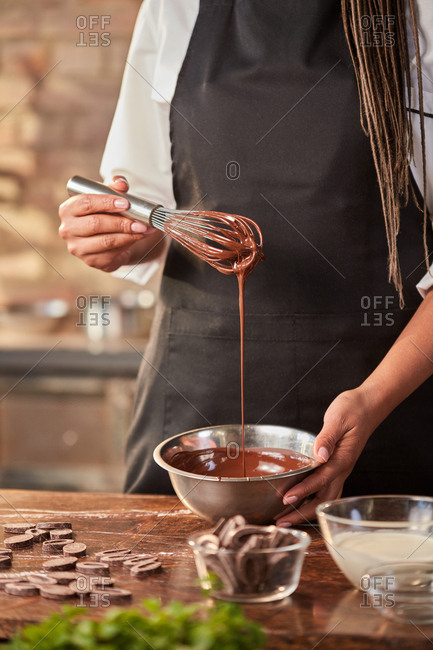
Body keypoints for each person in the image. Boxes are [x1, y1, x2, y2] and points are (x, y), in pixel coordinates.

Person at [58, 0, 433, 526]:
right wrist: (109, 237)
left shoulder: (419, 16)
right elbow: (147, 221)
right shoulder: (175, 9)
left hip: (381, 411)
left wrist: (371, 403)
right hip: (195, 405)